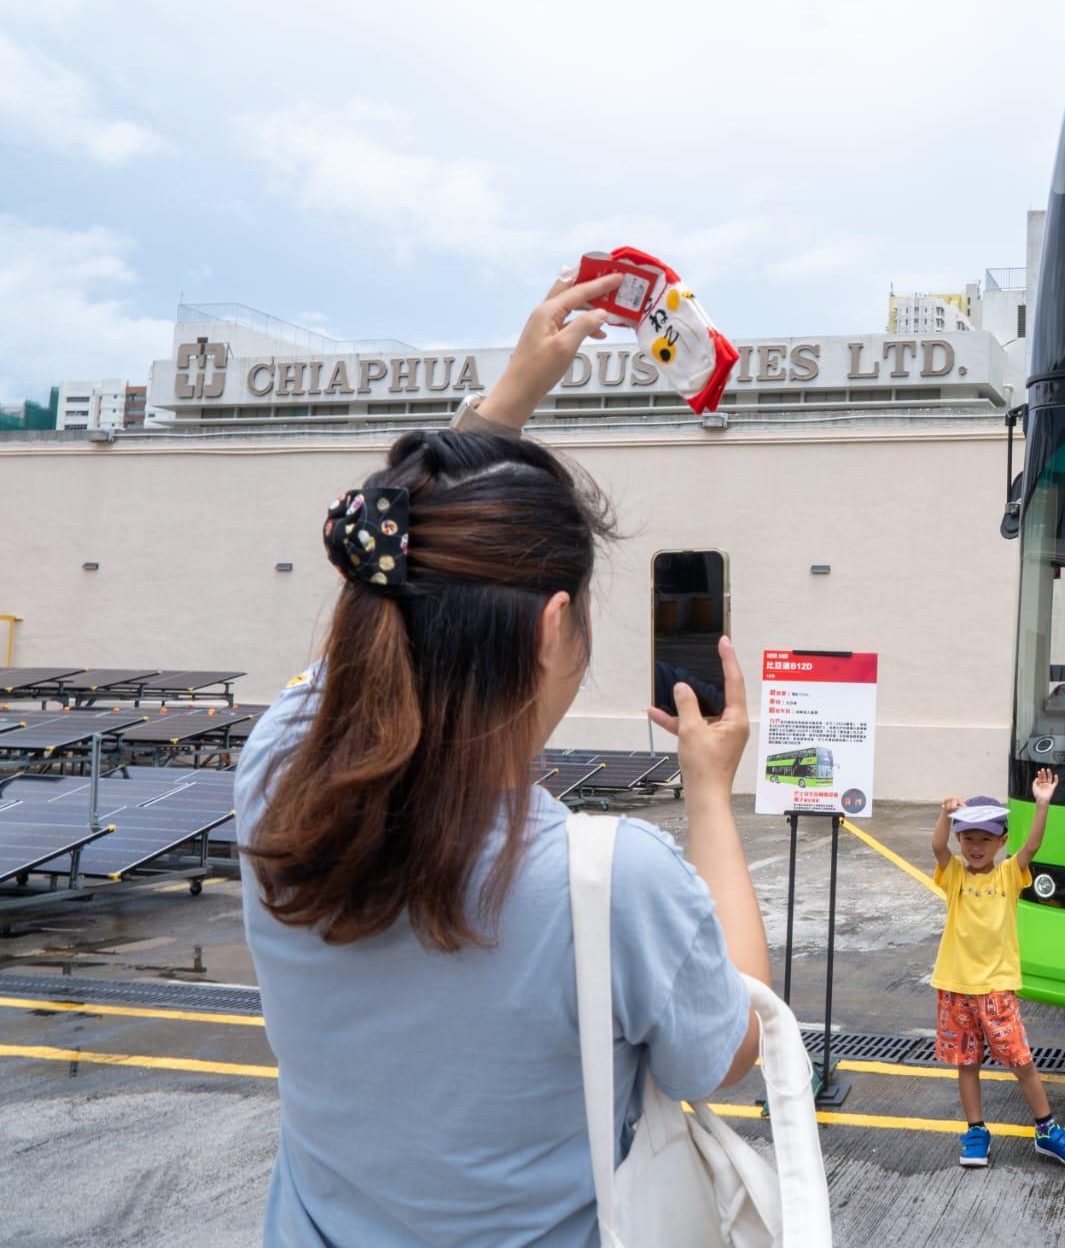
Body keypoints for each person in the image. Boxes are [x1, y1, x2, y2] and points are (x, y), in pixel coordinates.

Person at [235, 272, 777, 1243]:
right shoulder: (608, 882)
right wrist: (707, 793)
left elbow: (379, 587)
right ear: (552, 628)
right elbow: (730, 1051)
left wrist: (501, 406)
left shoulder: (277, 776)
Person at [930, 774, 1065, 1171]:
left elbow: (1032, 845)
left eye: (986, 839)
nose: (976, 847)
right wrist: (944, 814)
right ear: (959, 841)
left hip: (997, 988)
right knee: (967, 1063)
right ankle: (976, 1130)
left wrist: (1041, 804)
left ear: (1001, 841)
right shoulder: (954, 876)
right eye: (968, 838)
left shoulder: (1008, 875)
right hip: (955, 987)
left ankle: (1046, 1128)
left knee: (1021, 1061)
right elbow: (936, 846)